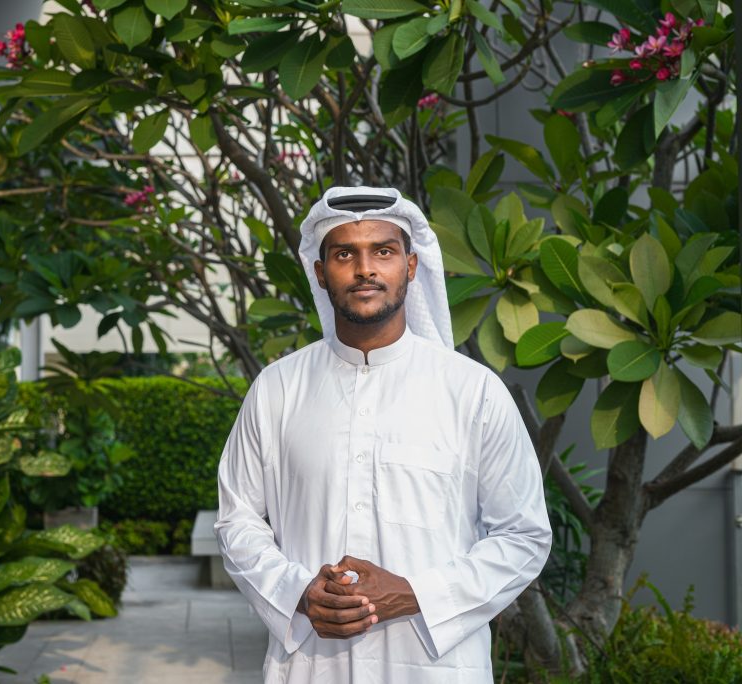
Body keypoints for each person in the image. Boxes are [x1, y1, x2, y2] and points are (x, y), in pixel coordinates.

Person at [215, 186, 552, 682]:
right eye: (345, 253)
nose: (365, 269)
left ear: (411, 267)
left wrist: (415, 593)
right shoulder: (277, 389)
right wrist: (298, 591)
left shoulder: (473, 391)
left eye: (384, 252)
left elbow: (523, 534)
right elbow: (237, 520)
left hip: (436, 669)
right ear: (320, 271)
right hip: (311, 668)